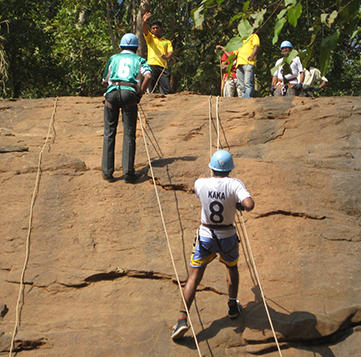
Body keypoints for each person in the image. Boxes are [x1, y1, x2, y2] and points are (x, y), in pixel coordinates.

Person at [171, 150, 255, 340]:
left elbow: (202, 196)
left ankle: (182, 319)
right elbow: (249, 204)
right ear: (230, 169)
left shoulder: (201, 183)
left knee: (193, 277)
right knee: (231, 268)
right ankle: (232, 307)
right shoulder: (235, 184)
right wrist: (239, 204)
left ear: (211, 168)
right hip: (227, 236)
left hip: (206, 236)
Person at [101, 33, 152, 183]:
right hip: (129, 93)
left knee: (109, 132)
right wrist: (140, 93)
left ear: (121, 46)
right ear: (136, 47)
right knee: (129, 133)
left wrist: (111, 85)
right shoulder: (139, 59)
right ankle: (129, 173)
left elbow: (105, 80)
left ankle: (107, 172)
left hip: (112, 93)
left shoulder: (113, 58)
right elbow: (148, 76)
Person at [142, 12, 174, 94]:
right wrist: (144, 22)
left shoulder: (167, 41)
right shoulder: (150, 38)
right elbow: (145, 30)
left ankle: (166, 105)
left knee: (167, 89)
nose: (155, 29)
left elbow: (170, 52)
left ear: (161, 28)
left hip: (163, 67)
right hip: (151, 66)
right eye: (153, 28)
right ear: (151, 30)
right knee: (150, 88)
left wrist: (167, 57)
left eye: (157, 28)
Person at [235, 32, 260, 98]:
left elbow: (256, 46)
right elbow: (233, 54)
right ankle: (243, 100)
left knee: (247, 83)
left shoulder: (253, 36)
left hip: (248, 62)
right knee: (241, 85)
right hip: (239, 64)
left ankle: (248, 99)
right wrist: (223, 49)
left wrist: (252, 55)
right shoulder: (240, 41)